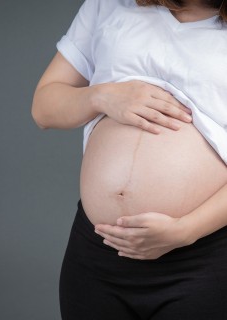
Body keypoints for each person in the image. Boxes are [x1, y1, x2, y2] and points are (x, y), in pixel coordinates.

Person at [31, 0, 227, 319]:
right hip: (98, 256)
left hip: (202, 259)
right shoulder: (109, 5)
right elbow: (43, 108)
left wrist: (186, 229)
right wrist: (102, 95)